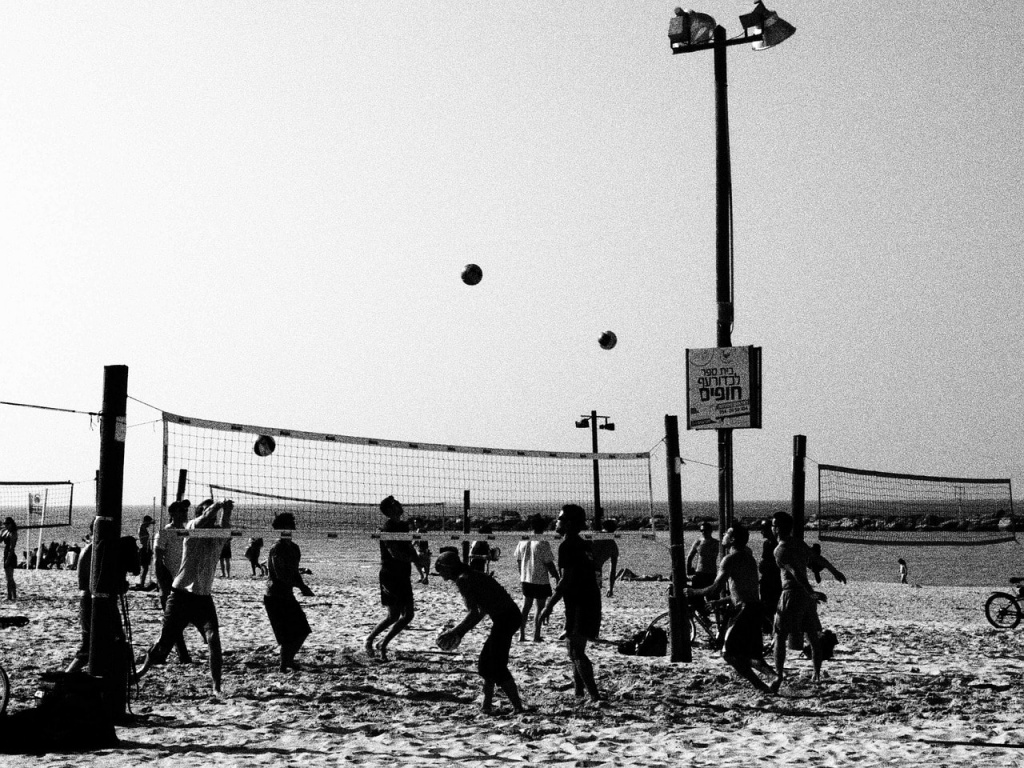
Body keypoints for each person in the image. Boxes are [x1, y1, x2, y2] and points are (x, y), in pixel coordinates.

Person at [136, 499, 234, 695]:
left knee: (214, 639)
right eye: (207, 511)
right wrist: (219, 504)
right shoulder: (191, 528)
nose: (212, 517)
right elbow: (206, 516)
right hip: (180, 594)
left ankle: (216, 687)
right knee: (164, 644)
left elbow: (224, 525)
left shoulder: (217, 537)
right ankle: (140, 671)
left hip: (203, 597)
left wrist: (228, 511)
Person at [686, 523, 776, 694]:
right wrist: (721, 602)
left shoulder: (729, 559)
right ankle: (774, 677)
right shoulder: (748, 558)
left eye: (727, 533)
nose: (723, 536)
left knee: (728, 654)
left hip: (744, 610)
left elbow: (714, 588)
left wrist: (692, 591)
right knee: (754, 656)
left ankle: (760, 685)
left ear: (733, 539)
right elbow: (746, 590)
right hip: (755, 607)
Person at [435, 551, 525, 714]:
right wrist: (460, 633)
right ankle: (486, 705)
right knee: (486, 663)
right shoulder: (471, 575)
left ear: (447, 568)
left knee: (496, 665)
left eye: (439, 569)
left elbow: (474, 613)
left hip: (506, 619)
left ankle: (517, 707)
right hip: (508, 617)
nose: (439, 573)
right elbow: (482, 610)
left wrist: (455, 631)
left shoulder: (464, 579)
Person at [539, 504, 603, 703]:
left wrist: (548, 606)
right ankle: (578, 692)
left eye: (559, 518)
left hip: (579, 603)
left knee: (576, 651)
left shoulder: (567, 545)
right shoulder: (584, 544)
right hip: (589, 600)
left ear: (568, 523)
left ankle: (594, 696)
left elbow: (565, 581)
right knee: (573, 650)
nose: (556, 521)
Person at [770, 511, 835, 692]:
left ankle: (779, 675)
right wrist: (834, 571)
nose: (771, 528)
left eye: (773, 525)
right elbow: (817, 558)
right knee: (812, 636)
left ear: (778, 528)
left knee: (780, 636)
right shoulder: (797, 543)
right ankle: (816, 674)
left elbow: (795, 574)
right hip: (805, 596)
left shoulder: (780, 550)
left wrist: (811, 592)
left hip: (791, 593)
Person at [365, 496, 418, 661]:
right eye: (395, 504)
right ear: (389, 510)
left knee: (408, 615)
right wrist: (415, 559)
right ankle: (369, 640)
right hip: (390, 575)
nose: (399, 505)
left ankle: (383, 643)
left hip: (404, 573)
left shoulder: (403, 526)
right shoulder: (387, 528)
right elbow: (395, 553)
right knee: (393, 615)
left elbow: (408, 548)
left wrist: (420, 564)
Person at [263, 513, 314, 672]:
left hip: (286, 595)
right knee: (288, 635)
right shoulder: (277, 547)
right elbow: (280, 575)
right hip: (274, 596)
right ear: (282, 528)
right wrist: (301, 587)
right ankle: (284, 665)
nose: (294, 526)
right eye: (291, 524)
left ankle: (287, 661)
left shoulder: (294, 547)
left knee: (303, 630)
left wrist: (302, 585)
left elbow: (293, 572)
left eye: (293, 524)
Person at [152, 499, 193, 663]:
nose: (185, 513)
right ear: (172, 513)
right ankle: (177, 655)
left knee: (177, 622)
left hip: (185, 582)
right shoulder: (164, 532)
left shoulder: (187, 531)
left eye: (185, 510)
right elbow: (157, 560)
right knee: (173, 622)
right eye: (181, 510)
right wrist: (162, 585)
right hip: (170, 581)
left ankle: (163, 652)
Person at [514, 515, 559, 642]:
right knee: (539, 608)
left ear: (531, 526)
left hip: (526, 578)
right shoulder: (542, 542)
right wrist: (556, 576)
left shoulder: (523, 541)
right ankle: (536, 635)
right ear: (544, 528)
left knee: (526, 607)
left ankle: (521, 635)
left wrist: (521, 575)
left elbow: (518, 560)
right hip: (540, 580)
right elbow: (549, 563)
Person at [758, 518, 782, 633]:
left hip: (772, 580)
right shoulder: (768, 543)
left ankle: (770, 628)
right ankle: (768, 627)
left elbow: (769, 563)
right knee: (767, 605)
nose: (761, 532)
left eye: (763, 529)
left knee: (770, 605)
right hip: (768, 579)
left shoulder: (773, 544)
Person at [591, 518, 620, 598]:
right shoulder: (613, 547)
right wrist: (610, 588)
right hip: (596, 570)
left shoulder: (593, 536)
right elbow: (612, 571)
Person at [687, 521, 720, 590]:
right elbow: (689, 557)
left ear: (710, 531)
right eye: (701, 530)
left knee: (712, 596)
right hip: (699, 573)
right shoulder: (698, 542)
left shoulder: (716, 543)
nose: (703, 532)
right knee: (697, 597)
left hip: (711, 573)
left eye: (705, 530)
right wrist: (688, 570)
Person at [1, 518, 18, 601]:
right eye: (5, 524)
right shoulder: (5, 532)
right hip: (6, 553)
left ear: (12, 524)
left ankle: (9, 596)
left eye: (7, 523)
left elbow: (12, 548)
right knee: (10, 577)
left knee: (9, 577)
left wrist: (8, 559)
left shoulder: (13, 533)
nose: (6, 525)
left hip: (10, 555)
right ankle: (14, 595)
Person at [137, 515, 154, 589]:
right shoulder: (142, 527)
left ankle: (142, 583)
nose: (149, 525)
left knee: (145, 567)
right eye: (148, 523)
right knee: (145, 567)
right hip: (144, 549)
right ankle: (141, 583)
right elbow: (142, 540)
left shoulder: (143, 527)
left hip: (146, 549)